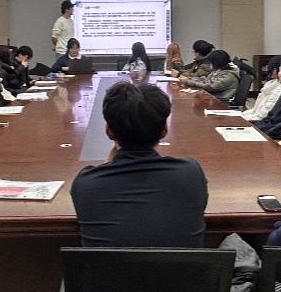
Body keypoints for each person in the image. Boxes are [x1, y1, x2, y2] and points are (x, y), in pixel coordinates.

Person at [71, 81, 208, 247]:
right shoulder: (191, 173)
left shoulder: (85, 183)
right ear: (164, 130)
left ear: (109, 131)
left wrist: (110, 161)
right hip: (181, 266)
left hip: (109, 266)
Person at [242, 56, 281, 121]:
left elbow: (262, 116)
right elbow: (255, 111)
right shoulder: (270, 84)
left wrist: (240, 119)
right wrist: (240, 116)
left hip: (259, 123)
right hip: (255, 119)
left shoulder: (279, 90)